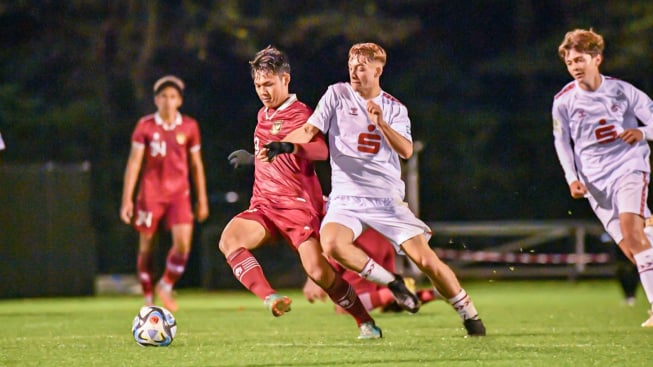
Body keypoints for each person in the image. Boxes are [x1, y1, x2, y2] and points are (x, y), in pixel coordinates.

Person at [270, 42, 486, 336]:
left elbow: (406, 150)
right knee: (332, 243)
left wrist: (381, 123)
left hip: (385, 200)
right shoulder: (336, 94)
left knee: (425, 260)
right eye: (351, 65)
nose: (354, 72)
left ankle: (468, 313)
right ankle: (393, 283)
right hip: (346, 197)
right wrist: (280, 145)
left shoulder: (395, 108)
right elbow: (309, 131)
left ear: (377, 69)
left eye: (361, 66)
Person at [218, 45, 386, 339]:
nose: (263, 91)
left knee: (320, 274)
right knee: (229, 240)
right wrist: (252, 157)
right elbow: (268, 155)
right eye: (258, 85)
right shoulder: (263, 115)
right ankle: (271, 297)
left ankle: (365, 322)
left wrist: (288, 147)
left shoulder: (302, 114)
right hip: (265, 206)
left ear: (285, 79)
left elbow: (322, 150)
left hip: (298, 209)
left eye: (269, 84)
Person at [552, 28, 653, 327]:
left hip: (628, 168)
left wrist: (642, 133)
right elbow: (561, 142)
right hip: (595, 184)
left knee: (633, 234)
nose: (575, 67)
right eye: (570, 62)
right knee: (631, 248)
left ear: (597, 58)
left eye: (580, 59)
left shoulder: (622, 91)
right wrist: (572, 178)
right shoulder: (563, 101)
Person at [120, 75, 209, 312]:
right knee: (146, 246)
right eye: (163, 96)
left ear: (179, 100)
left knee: (183, 245)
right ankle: (148, 298)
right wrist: (127, 199)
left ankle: (166, 284)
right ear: (156, 100)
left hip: (179, 194)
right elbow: (134, 163)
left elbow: (196, 164)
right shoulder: (146, 125)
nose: (167, 101)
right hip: (151, 193)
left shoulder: (189, 126)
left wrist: (202, 198)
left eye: (172, 96)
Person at [302, 228, 439, 313]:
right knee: (389, 300)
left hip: (358, 242)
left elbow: (331, 251)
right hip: (381, 240)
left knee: (346, 305)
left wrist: (314, 277)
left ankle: (397, 292)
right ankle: (435, 293)